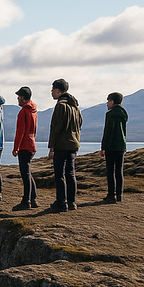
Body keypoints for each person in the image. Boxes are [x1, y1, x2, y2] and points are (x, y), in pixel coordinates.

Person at [47, 78, 82, 211]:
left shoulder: (61, 106)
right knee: (71, 173)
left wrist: (52, 146)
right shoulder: (75, 107)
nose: (51, 92)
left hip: (62, 145)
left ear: (59, 90)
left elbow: (56, 127)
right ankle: (72, 202)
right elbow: (79, 125)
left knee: (59, 174)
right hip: (73, 144)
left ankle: (61, 202)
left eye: (53, 89)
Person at [11, 86, 37, 210]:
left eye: (19, 96)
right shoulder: (33, 111)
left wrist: (16, 147)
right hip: (31, 144)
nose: (17, 98)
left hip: (25, 146)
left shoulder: (23, 112)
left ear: (22, 97)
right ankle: (33, 198)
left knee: (25, 173)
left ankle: (26, 201)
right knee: (28, 172)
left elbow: (20, 131)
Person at [100, 92, 128, 202]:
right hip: (121, 146)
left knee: (110, 171)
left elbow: (108, 132)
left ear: (112, 102)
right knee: (119, 171)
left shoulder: (110, 114)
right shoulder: (123, 113)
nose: (107, 104)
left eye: (108, 102)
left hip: (111, 147)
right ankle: (120, 194)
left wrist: (103, 147)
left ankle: (111, 194)